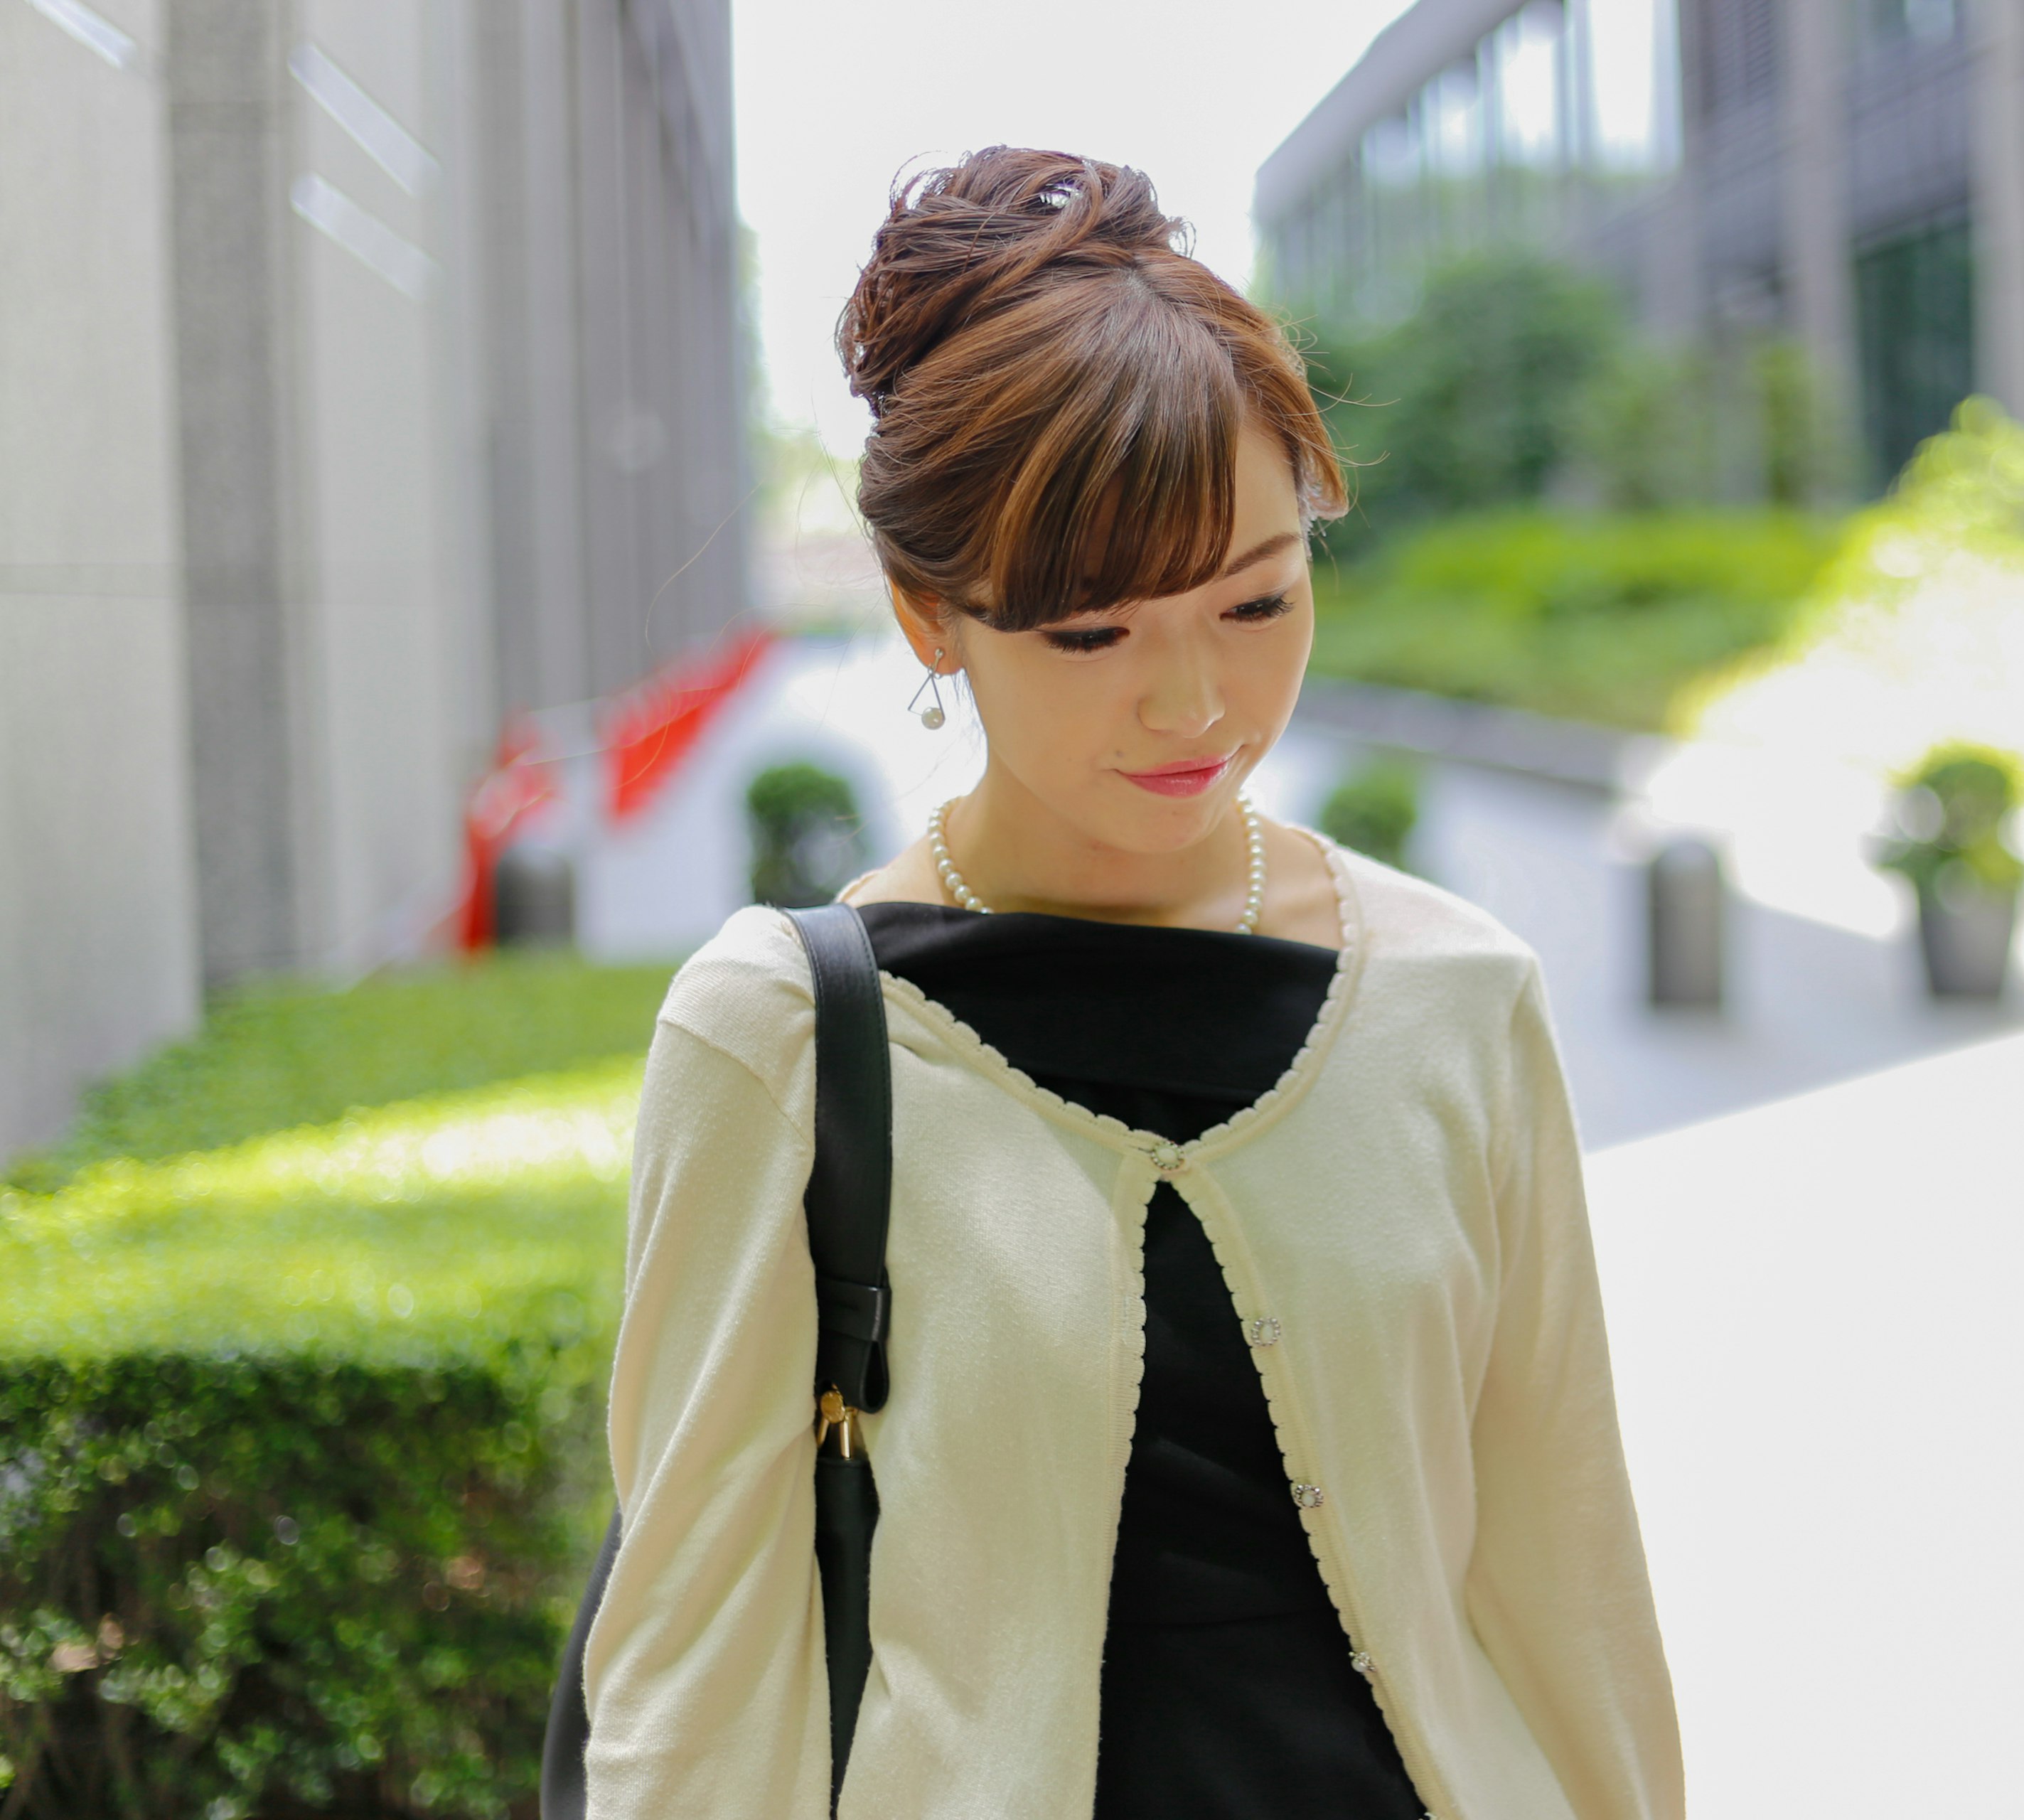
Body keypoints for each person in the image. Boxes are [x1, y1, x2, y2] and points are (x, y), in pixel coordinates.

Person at [580, 146, 1681, 1819]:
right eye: (1092, 634)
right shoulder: (786, 1039)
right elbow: (690, 1665)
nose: (1195, 704)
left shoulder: (1460, 997)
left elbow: (1565, 1574)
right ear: (929, 614)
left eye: (1257, 599)